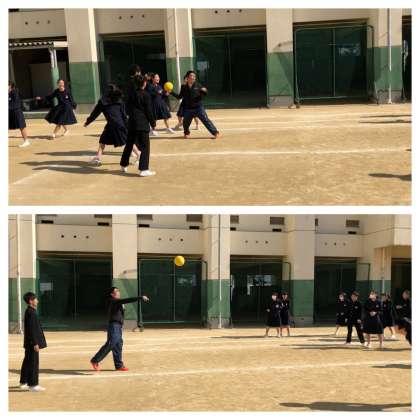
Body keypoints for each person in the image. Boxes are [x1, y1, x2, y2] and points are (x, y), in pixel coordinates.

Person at [90, 287, 149, 371]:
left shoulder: (117, 302)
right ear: (112, 294)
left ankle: (119, 365)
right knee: (111, 343)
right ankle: (95, 360)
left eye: (118, 291)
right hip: (114, 326)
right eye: (116, 291)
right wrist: (140, 297)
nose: (118, 292)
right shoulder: (112, 300)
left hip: (118, 326)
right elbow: (127, 300)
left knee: (118, 345)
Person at [84, 84, 140, 165]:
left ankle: (138, 154)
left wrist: (88, 122)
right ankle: (98, 158)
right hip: (115, 125)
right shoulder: (119, 100)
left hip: (116, 125)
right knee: (103, 140)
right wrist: (127, 125)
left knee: (126, 141)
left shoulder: (103, 101)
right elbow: (124, 115)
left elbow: (95, 113)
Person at [120, 75, 157, 177]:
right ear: (144, 83)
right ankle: (144, 169)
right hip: (142, 123)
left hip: (132, 122)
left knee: (129, 144)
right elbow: (148, 111)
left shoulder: (131, 94)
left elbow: (126, 108)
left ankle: (123, 165)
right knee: (145, 146)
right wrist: (153, 123)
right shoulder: (146, 95)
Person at [171, 70, 219, 139]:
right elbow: (179, 97)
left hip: (198, 108)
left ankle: (215, 132)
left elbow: (204, 94)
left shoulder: (198, 85)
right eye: (191, 76)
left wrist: (205, 91)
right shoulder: (183, 87)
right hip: (188, 109)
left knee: (206, 120)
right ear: (187, 77)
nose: (193, 77)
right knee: (185, 123)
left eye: (194, 76)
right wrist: (171, 92)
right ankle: (186, 133)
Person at [19, 292, 47, 392]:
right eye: (35, 299)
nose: (37, 301)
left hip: (30, 343)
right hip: (32, 343)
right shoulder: (31, 312)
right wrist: (35, 343)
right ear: (31, 301)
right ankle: (33, 384)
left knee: (27, 361)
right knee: (33, 363)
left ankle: (23, 382)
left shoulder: (30, 311)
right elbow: (31, 330)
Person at [8, 81, 30, 147]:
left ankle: (26, 141)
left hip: (17, 111)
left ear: (10, 86)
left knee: (21, 126)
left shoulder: (15, 92)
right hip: (10, 112)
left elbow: (16, 103)